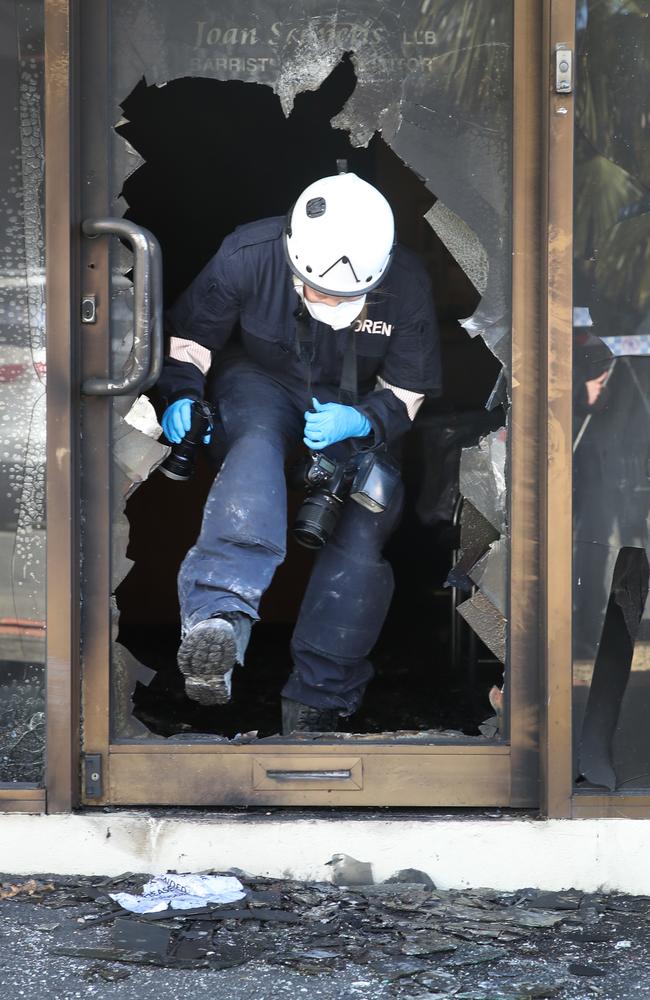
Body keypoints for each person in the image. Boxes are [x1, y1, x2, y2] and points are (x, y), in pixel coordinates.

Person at [156, 169, 441, 733]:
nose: (331, 302)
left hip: (355, 406)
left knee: (366, 521)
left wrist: (361, 419)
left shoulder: (406, 281)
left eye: (347, 297)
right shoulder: (247, 254)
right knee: (255, 450)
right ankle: (216, 618)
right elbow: (189, 341)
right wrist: (180, 395)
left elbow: (409, 390)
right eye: (320, 292)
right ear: (293, 262)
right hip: (262, 381)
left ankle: (320, 700)